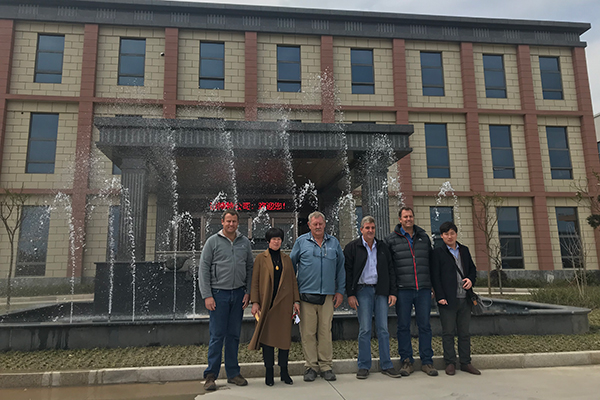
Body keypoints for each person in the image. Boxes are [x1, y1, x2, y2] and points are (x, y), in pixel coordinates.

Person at [199, 209, 254, 391]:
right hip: (218, 295)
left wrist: (248, 292)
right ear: (222, 222)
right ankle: (210, 376)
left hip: (238, 295)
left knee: (234, 335)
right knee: (217, 335)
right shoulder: (212, 242)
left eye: (234, 221)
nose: (231, 224)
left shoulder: (244, 242)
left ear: (238, 223)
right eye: (228, 221)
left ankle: (233, 373)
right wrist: (207, 295)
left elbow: (250, 268)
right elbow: (203, 269)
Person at [290, 211, 345, 382]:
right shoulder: (301, 242)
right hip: (306, 296)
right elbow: (291, 267)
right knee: (308, 333)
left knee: (325, 332)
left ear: (325, 224)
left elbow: (341, 268)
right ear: (309, 225)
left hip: (327, 296)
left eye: (321, 224)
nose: (318, 227)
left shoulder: (334, 242)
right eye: (315, 224)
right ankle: (311, 367)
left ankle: (326, 366)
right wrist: (294, 296)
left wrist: (340, 291)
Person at [344, 216, 401, 379]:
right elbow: (348, 272)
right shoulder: (352, 247)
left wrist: (393, 292)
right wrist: (351, 294)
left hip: (381, 291)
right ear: (361, 229)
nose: (370, 231)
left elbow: (391, 270)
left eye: (373, 228)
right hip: (362, 291)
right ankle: (363, 365)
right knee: (365, 329)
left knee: (383, 329)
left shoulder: (383, 247)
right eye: (367, 228)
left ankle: (386, 364)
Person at [386, 207, 438, 377]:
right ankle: (406, 361)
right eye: (405, 217)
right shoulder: (391, 240)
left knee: (425, 326)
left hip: (423, 288)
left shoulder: (423, 237)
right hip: (403, 290)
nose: (408, 219)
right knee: (403, 326)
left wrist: (433, 285)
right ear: (400, 219)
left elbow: (430, 263)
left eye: (410, 216)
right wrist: (392, 290)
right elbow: (390, 268)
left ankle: (427, 361)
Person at [248, 227, 301, 386]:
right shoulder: (260, 258)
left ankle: (284, 371)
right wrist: (255, 302)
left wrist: (296, 301)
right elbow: (255, 281)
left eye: (279, 239)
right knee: (267, 340)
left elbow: (293, 281)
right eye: (273, 239)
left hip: (284, 304)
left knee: (284, 340)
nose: (276, 242)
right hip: (267, 305)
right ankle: (269, 372)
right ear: (268, 241)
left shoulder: (286, 259)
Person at [430, 221, 481, 376]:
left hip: (465, 298)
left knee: (464, 333)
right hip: (447, 300)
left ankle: (465, 362)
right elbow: (435, 277)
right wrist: (440, 296)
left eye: (452, 233)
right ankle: (450, 362)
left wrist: (470, 279)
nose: (449, 236)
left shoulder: (464, 250)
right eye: (446, 234)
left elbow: (472, 269)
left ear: (456, 234)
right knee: (448, 333)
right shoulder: (437, 253)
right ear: (442, 236)